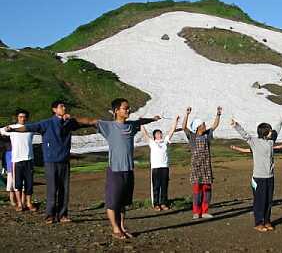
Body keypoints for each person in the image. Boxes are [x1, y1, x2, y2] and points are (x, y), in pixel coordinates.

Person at [73, 98, 161, 240]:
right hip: (115, 169)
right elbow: (91, 121)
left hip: (128, 169)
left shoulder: (131, 126)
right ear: (116, 111)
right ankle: (115, 228)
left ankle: (122, 227)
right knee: (113, 201)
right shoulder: (108, 126)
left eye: (128, 108)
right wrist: (71, 118)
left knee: (123, 202)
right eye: (125, 108)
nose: (128, 110)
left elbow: (141, 122)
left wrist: (153, 119)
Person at [6, 100, 81, 224]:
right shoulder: (47, 123)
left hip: (64, 161)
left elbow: (84, 122)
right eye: (61, 107)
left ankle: (62, 215)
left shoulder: (69, 123)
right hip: (51, 161)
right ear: (54, 109)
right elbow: (29, 127)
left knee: (64, 189)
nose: (64, 108)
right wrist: (12, 129)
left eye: (64, 106)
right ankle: (50, 215)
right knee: (52, 189)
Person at [231, 116, 282, 232]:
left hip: (270, 177)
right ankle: (258, 223)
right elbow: (245, 135)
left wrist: (280, 122)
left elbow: (276, 131)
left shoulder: (270, 142)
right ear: (264, 132)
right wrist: (236, 125)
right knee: (259, 201)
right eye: (269, 130)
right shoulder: (254, 142)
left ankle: (267, 221)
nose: (271, 132)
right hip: (258, 177)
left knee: (269, 201)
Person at [182, 106, 222, 220]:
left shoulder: (207, 135)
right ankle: (196, 212)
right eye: (203, 124)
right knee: (197, 191)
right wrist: (187, 114)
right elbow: (184, 127)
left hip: (206, 167)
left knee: (207, 190)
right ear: (198, 127)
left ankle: (205, 211)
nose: (205, 125)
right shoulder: (192, 136)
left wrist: (218, 114)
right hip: (196, 167)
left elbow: (215, 125)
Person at [141, 115, 180, 211]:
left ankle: (163, 203)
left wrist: (175, 120)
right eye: (157, 134)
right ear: (154, 135)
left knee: (164, 186)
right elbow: (144, 133)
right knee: (156, 186)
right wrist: (141, 122)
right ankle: (156, 204)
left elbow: (171, 130)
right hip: (155, 168)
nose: (159, 135)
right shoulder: (152, 142)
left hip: (165, 167)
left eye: (160, 133)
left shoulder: (165, 141)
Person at [1, 109, 37, 212]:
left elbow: (41, 129)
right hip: (16, 160)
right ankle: (20, 204)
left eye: (24, 117)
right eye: (20, 117)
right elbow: (2, 131)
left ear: (27, 118)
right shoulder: (12, 127)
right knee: (17, 184)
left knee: (29, 184)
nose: (22, 119)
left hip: (29, 159)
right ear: (17, 117)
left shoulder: (30, 128)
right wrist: (7, 128)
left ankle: (29, 203)